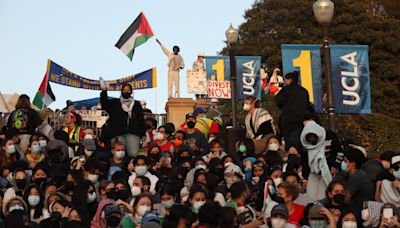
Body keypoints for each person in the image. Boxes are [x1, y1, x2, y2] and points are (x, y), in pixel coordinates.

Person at [100, 83, 145, 157]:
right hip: (116, 133)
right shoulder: (115, 103)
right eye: (124, 90)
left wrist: (143, 133)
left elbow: (141, 119)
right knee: (119, 154)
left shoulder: (136, 104)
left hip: (133, 132)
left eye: (128, 90)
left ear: (131, 92)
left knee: (133, 154)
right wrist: (104, 91)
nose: (126, 92)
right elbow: (104, 104)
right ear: (121, 91)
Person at [300, 120, 332, 201]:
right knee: (310, 197)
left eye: (313, 136)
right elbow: (304, 162)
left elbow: (337, 152)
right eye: (309, 137)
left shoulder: (328, 137)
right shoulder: (305, 147)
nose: (312, 139)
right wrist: (305, 177)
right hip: (313, 173)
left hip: (326, 172)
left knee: (322, 197)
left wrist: (334, 166)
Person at [275, 71, 310, 140]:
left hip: (288, 119)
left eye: (285, 80)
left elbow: (278, 101)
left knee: (288, 139)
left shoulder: (285, 90)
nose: (284, 82)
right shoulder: (304, 91)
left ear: (290, 80)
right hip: (301, 118)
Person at [339, 147, 374, 212]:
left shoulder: (358, 176)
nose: (344, 163)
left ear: (353, 163)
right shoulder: (350, 175)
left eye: (345, 161)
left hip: (359, 210)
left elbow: (346, 199)